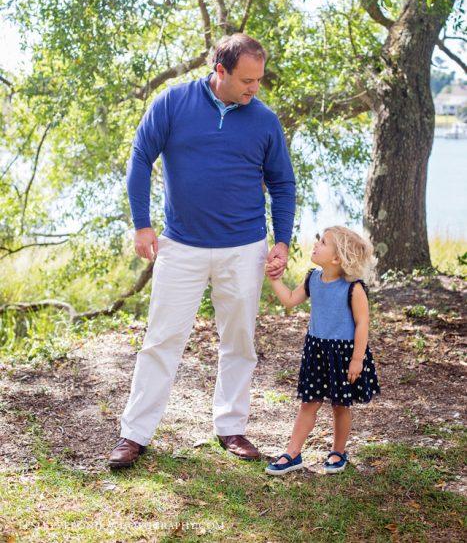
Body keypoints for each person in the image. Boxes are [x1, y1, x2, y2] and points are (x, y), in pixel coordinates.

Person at [108, 33, 296, 468]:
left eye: (259, 80)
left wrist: (282, 240)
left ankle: (231, 427)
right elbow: (140, 158)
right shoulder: (173, 104)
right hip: (181, 246)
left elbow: (282, 184)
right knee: (161, 340)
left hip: (244, 248)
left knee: (239, 342)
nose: (254, 88)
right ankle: (134, 434)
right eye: (247, 80)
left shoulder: (264, 120)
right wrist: (141, 224)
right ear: (220, 71)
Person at [264, 226, 380, 476]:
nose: (316, 244)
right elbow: (289, 300)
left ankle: (338, 451)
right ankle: (292, 453)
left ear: (337, 258)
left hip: (344, 355)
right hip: (316, 350)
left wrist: (357, 359)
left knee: (340, 405)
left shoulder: (353, 288)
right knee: (309, 403)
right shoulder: (312, 279)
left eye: (323, 242)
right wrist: (275, 279)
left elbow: (362, 324)